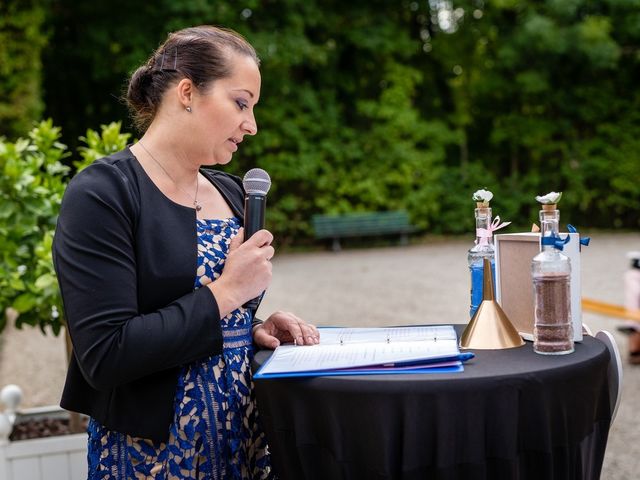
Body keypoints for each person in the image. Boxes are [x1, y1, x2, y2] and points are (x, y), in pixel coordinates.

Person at [52, 25, 319, 479]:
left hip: (245, 441)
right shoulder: (104, 193)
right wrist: (227, 293)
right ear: (188, 92)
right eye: (241, 103)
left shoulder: (232, 192)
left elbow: (202, 310)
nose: (251, 125)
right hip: (153, 455)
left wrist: (251, 328)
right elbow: (106, 353)